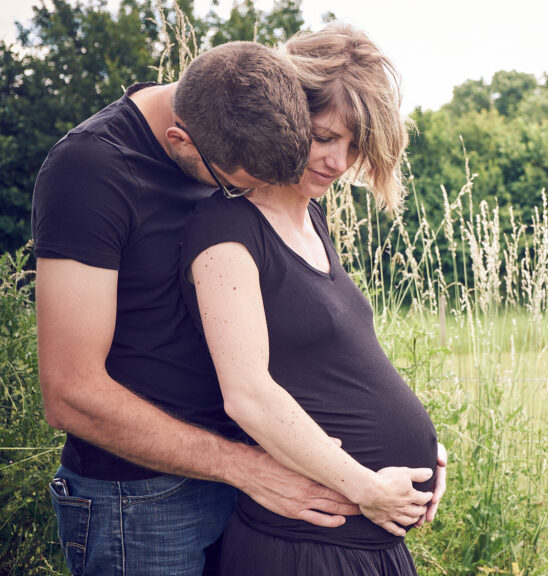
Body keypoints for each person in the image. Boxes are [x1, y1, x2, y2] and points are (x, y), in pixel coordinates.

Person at [31, 40, 441, 576]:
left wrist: (407, 443)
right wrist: (246, 467)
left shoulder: (247, 132)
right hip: (142, 501)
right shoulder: (90, 171)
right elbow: (70, 393)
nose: (253, 197)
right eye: (236, 187)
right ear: (182, 141)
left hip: (250, 485)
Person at [180, 23, 441, 575]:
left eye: (354, 145)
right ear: (287, 117)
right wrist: (368, 486)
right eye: (324, 136)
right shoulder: (227, 228)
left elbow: (337, 359)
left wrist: (422, 446)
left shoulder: (312, 218)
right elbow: (248, 394)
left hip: (367, 540)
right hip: (305, 546)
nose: (338, 162)